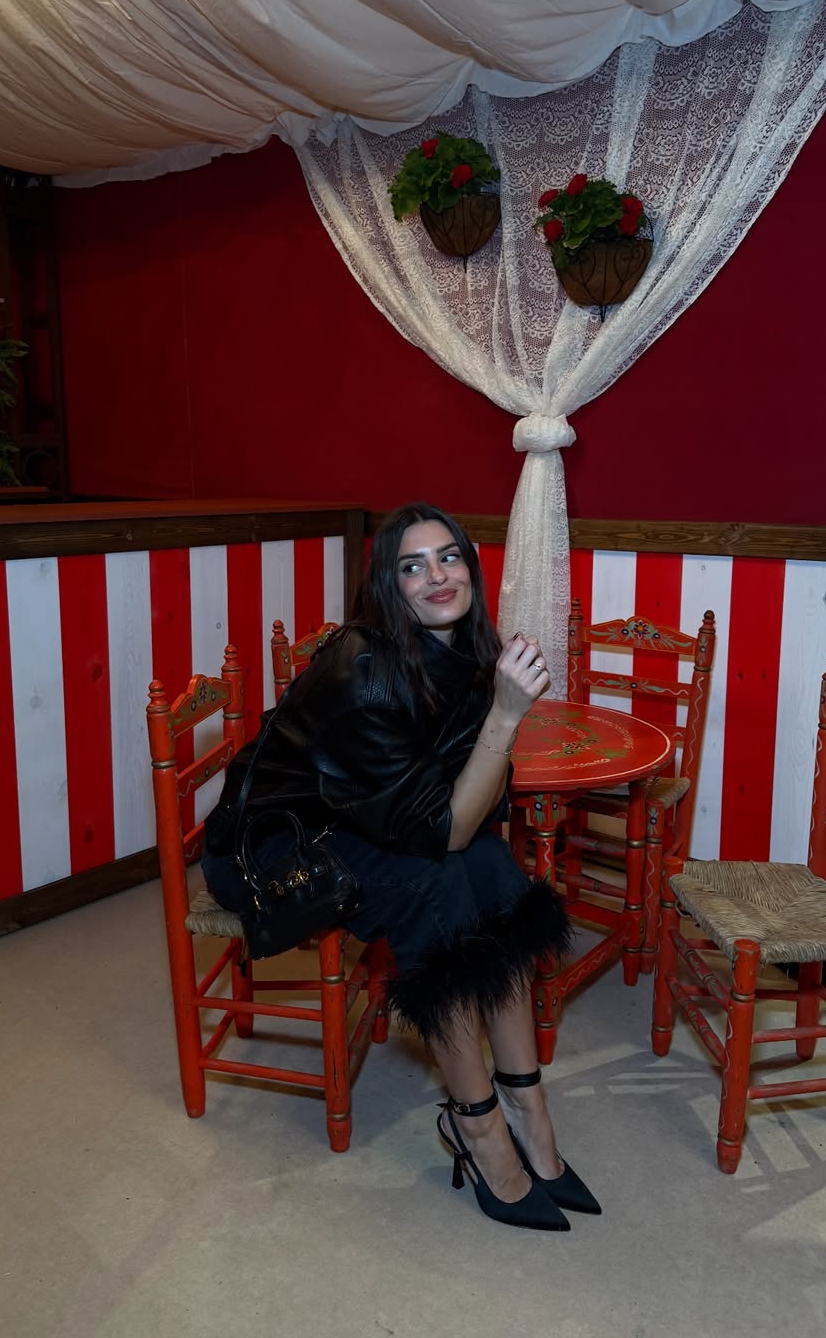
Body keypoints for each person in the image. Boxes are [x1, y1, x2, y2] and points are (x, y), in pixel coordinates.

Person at [202, 501, 599, 1231]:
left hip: (357, 816)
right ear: (388, 588)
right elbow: (444, 830)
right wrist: (506, 715)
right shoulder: (366, 672)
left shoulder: (463, 652)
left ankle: (527, 1106)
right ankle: (477, 1125)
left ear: (471, 568)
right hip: (275, 850)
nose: (437, 576)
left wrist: (495, 711)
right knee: (435, 887)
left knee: (495, 868)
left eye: (449, 557)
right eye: (412, 567)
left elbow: (474, 809)